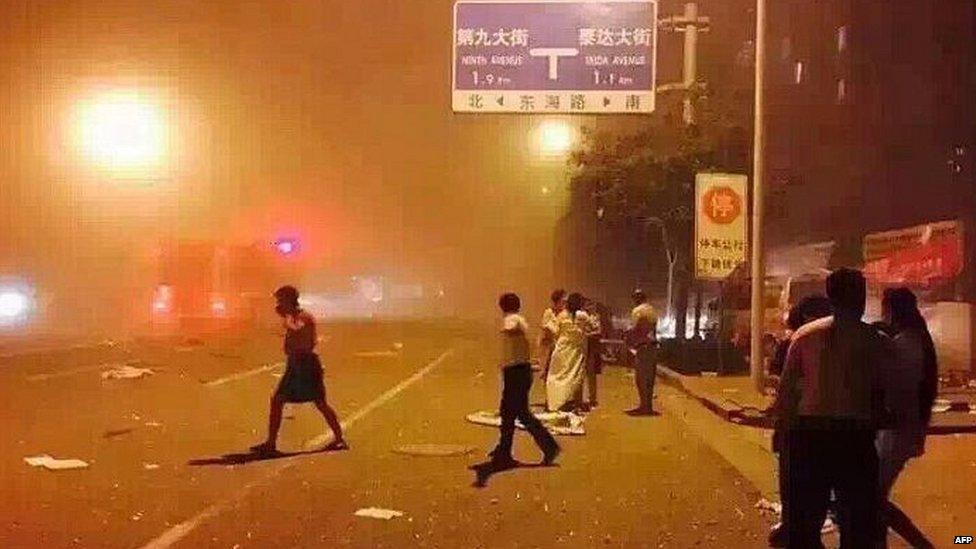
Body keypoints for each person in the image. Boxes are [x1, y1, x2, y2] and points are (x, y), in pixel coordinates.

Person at [774, 268, 887, 548]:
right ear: (859, 298)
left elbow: (787, 392)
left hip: (808, 435)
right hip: (855, 439)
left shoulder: (805, 335)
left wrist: (781, 431)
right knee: (858, 524)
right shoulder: (875, 341)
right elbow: (883, 394)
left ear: (831, 296)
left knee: (804, 520)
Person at [768, 294, 833, 547]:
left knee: (793, 481)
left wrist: (779, 418)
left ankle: (796, 531)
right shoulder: (843, 338)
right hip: (827, 425)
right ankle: (806, 532)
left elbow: (781, 385)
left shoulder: (798, 340)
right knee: (817, 486)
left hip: (797, 424)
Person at [251, 286, 346, 455]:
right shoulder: (294, 317)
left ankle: (339, 438)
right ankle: (271, 443)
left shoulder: (302, 317)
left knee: (319, 402)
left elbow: (297, 328)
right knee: (278, 400)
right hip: (296, 364)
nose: (278, 304)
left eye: (281, 300)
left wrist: (286, 317)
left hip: (306, 364)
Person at [874, 288, 937, 548]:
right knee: (874, 498)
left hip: (897, 432)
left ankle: (920, 544)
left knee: (873, 497)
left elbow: (897, 391)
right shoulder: (914, 340)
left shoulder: (905, 345)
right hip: (901, 431)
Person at [489, 293, 560, 467]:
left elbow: (511, 327)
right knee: (509, 413)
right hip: (515, 371)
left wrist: (507, 328)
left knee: (520, 413)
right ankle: (504, 451)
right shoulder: (517, 319)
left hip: (517, 372)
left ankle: (549, 447)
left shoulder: (513, 320)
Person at [545, 292, 598, 412]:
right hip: (576, 351)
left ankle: (555, 402)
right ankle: (570, 402)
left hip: (562, 348)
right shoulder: (583, 315)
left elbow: (555, 331)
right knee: (574, 376)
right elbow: (594, 327)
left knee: (556, 376)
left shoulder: (562, 315)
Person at [626, 289, 659, 415]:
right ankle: (648, 406)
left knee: (641, 378)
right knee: (650, 378)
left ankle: (643, 406)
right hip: (653, 346)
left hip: (642, 346)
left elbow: (635, 328)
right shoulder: (652, 310)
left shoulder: (638, 311)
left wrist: (628, 336)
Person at [539, 289, 566, 383]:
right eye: (562, 301)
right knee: (547, 375)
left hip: (561, 349)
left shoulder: (565, 314)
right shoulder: (548, 313)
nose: (564, 303)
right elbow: (546, 329)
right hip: (549, 348)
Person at [582, 297, 604, 410]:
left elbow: (598, 331)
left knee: (591, 375)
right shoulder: (581, 316)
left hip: (591, 349)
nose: (590, 307)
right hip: (583, 347)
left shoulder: (595, 317)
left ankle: (592, 398)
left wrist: (587, 334)